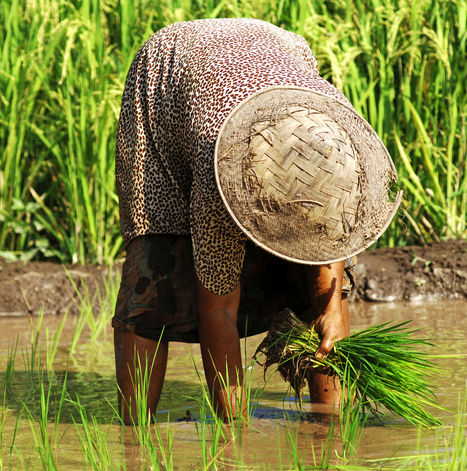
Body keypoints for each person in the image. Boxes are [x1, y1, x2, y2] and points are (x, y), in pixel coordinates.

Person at [112, 18, 401, 424]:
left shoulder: (339, 144)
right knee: (154, 266)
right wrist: (235, 433)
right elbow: (219, 311)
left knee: (320, 289)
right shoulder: (223, 175)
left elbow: (333, 235)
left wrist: (331, 307)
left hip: (279, 51)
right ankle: (133, 432)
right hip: (167, 80)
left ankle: (331, 423)